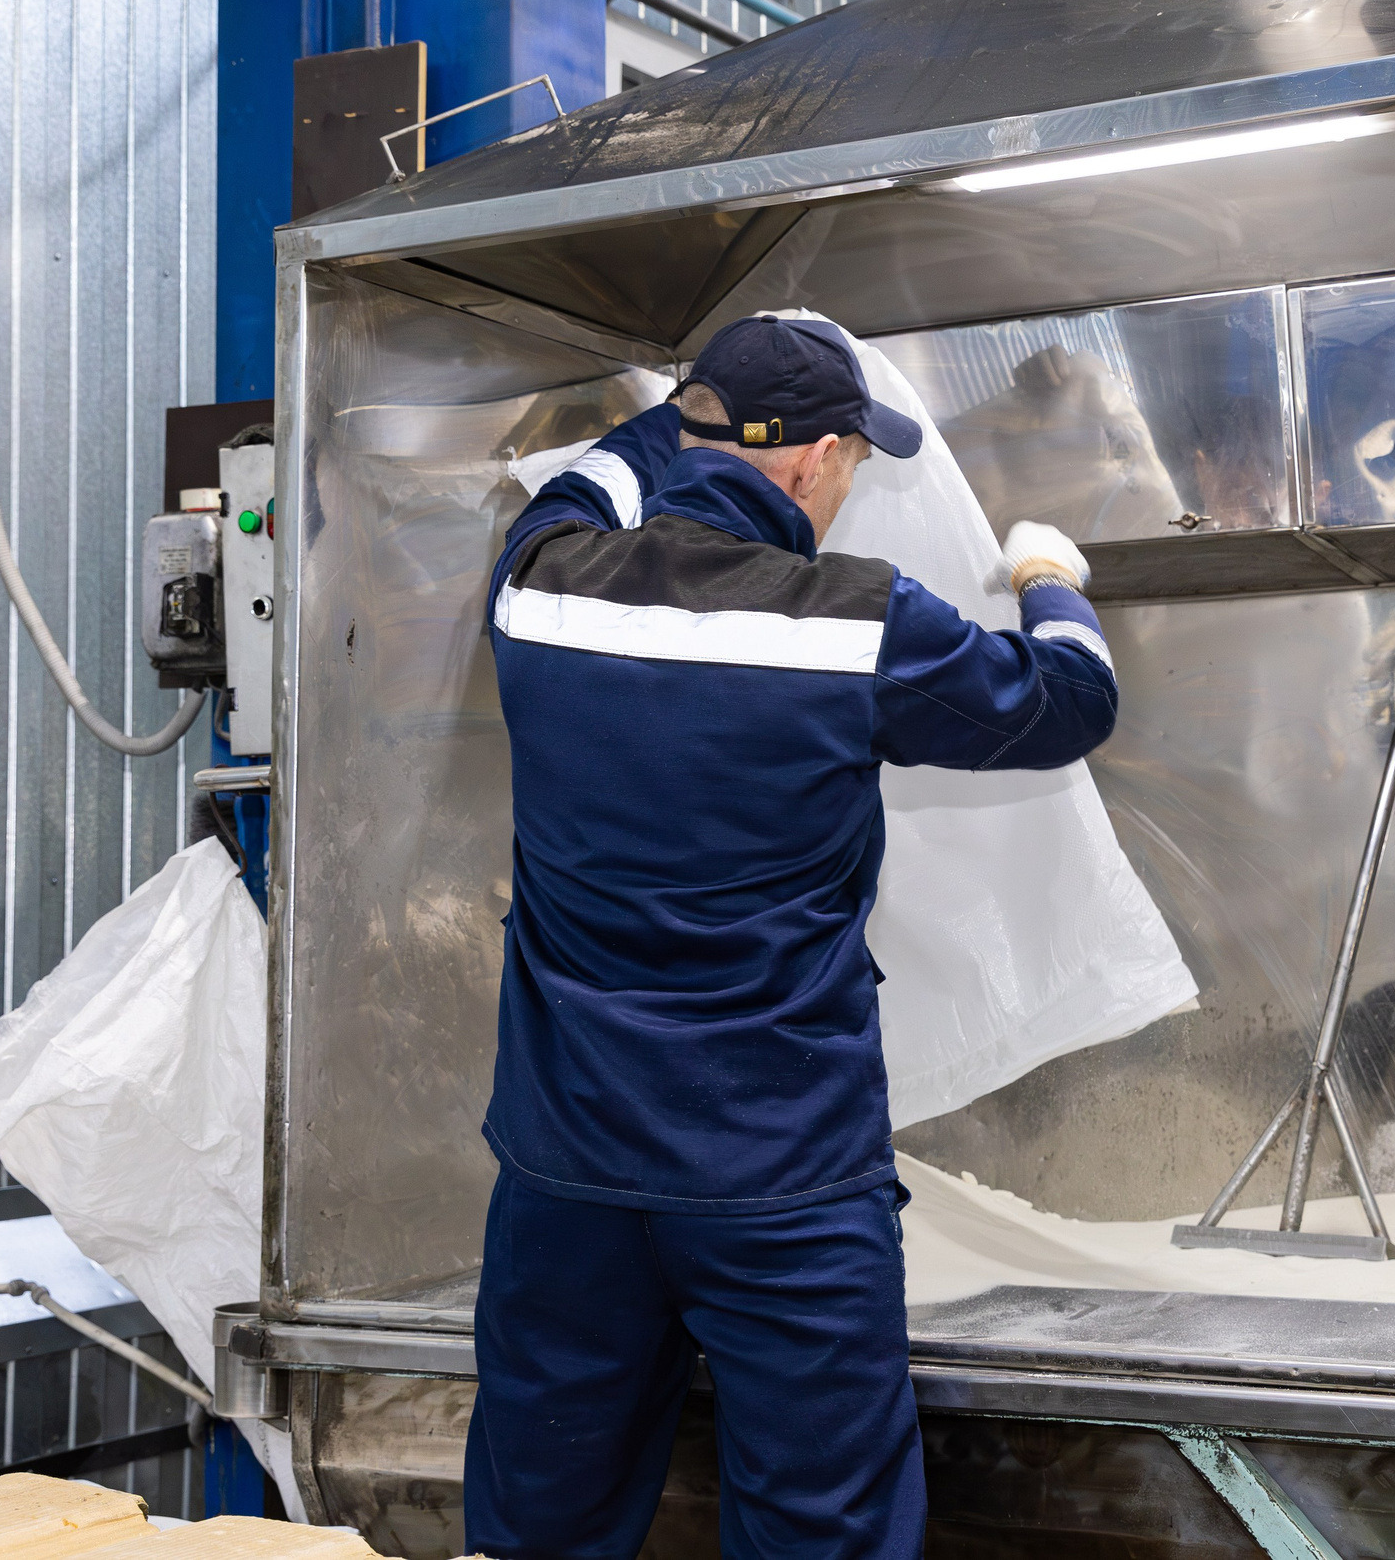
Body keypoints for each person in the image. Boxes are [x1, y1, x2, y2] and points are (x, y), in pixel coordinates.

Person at [467, 314, 1119, 1560]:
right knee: (823, 1532)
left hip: (566, 1174)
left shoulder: (542, 585)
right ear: (817, 460)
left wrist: (690, 404)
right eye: (855, 465)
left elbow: (590, 478)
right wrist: (1048, 577)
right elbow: (1070, 700)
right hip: (777, 1180)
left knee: (536, 1530)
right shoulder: (853, 623)